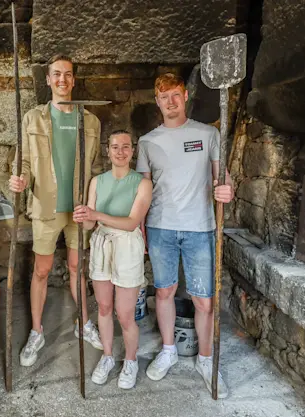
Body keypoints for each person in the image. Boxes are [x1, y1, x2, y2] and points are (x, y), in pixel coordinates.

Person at [135, 73, 235, 396]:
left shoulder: (207, 135)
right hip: (161, 225)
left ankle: (206, 359)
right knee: (164, 292)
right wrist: (140, 226)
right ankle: (168, 349)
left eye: (175, 95)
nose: (171, 102)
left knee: (204, 300)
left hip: (201, 227)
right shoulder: (147, 142)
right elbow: (143, 189)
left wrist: (227, 190)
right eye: (164, 97)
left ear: (186, 95)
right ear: (157, 102)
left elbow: (224, 177)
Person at [9, 54, 104, 367]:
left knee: (78, 269)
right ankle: (37, 331)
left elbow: (96, 167)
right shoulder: (33, 119)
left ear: (73, 80)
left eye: (68, 74)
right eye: (56, 75)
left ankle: (83, 323)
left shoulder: (90, 121)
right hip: (46, 204)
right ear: (48, 80)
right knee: (41, 270)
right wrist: (19, 178)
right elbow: (22, 159)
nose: (62, 80)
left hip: (78, 208)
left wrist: (93, 206)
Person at [73, 131, 153, 389]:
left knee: (125, 314)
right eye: (115, 147)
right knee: (104, 308)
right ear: (108, 151)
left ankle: (130, 360)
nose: (120, 152)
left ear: (133, 151)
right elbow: (88, 226)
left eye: (125, 147)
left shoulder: (142, 183)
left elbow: (131, 223)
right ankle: (107, 356)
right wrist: (83, 216)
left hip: (127, 246)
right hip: (101, 244)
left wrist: (96, 214)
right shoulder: (97, 181)